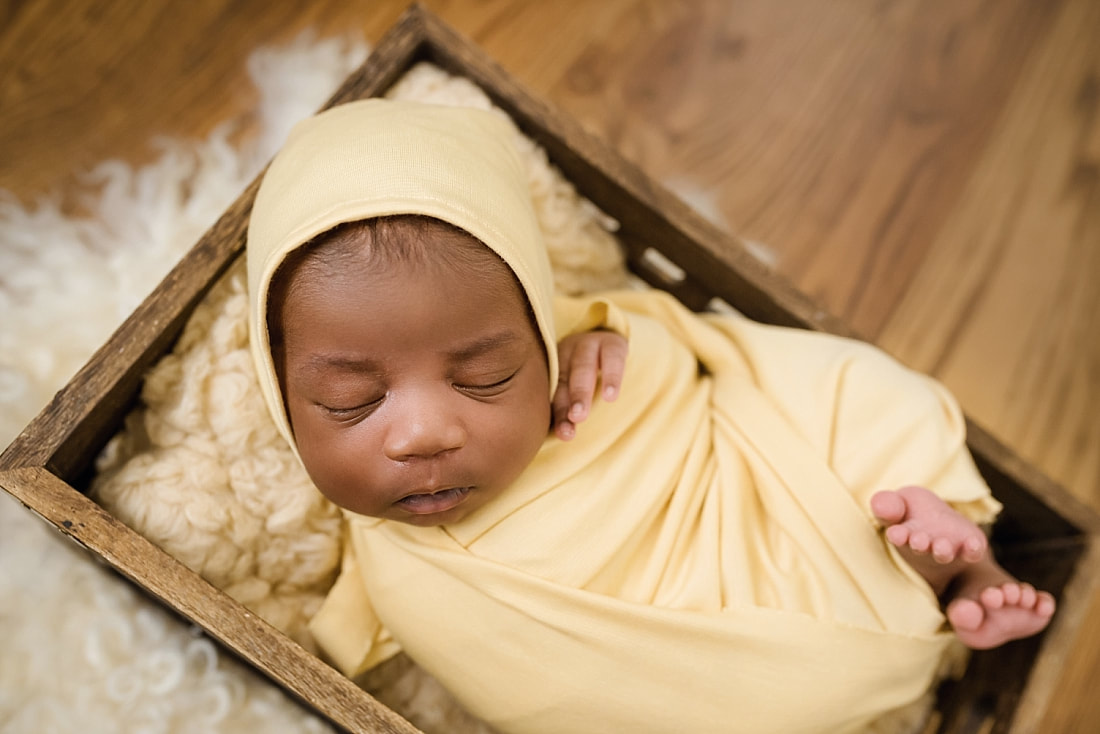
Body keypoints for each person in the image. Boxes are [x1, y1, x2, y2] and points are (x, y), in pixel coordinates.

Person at [246, 99, 1053, 733]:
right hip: (736, 684)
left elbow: (692, 367)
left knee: (862, 392)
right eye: (351, 400)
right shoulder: (393, 572)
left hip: (771, 512)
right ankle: (926, 591)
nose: (424, 433)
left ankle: (951, 564)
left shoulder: (590, 358)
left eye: (486, 377)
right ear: (280, 388)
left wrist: (615, 333)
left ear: (538, 328)